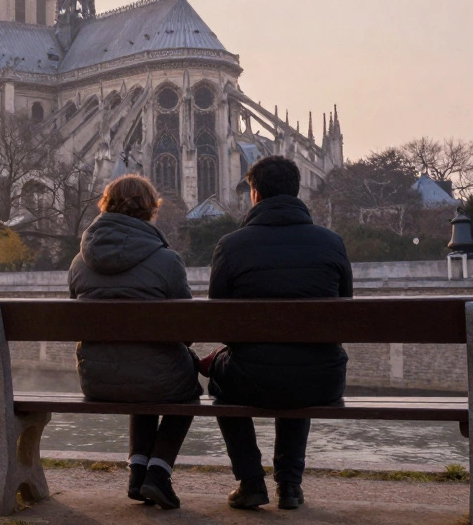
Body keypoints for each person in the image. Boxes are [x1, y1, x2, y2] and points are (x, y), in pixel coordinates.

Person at [206, 156, 352, 510]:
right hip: (322, 379)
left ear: (253, 193)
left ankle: (251, 481)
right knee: (300, 363)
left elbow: (217, 319)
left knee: (222, 384)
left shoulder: (231, 245)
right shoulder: (331, 242)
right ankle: (289, 485)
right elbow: (345, 307)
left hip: (250, 376)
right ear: (297, 190)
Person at [69, 174, 201, 510]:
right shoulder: (167, 261)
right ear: (151, 211)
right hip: (156, 380)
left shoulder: (79, 263)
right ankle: (157, 472)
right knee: (183, 387)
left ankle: (137, 471)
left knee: (144, 372)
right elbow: (187, 331)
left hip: (96, 381)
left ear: (106, 205)